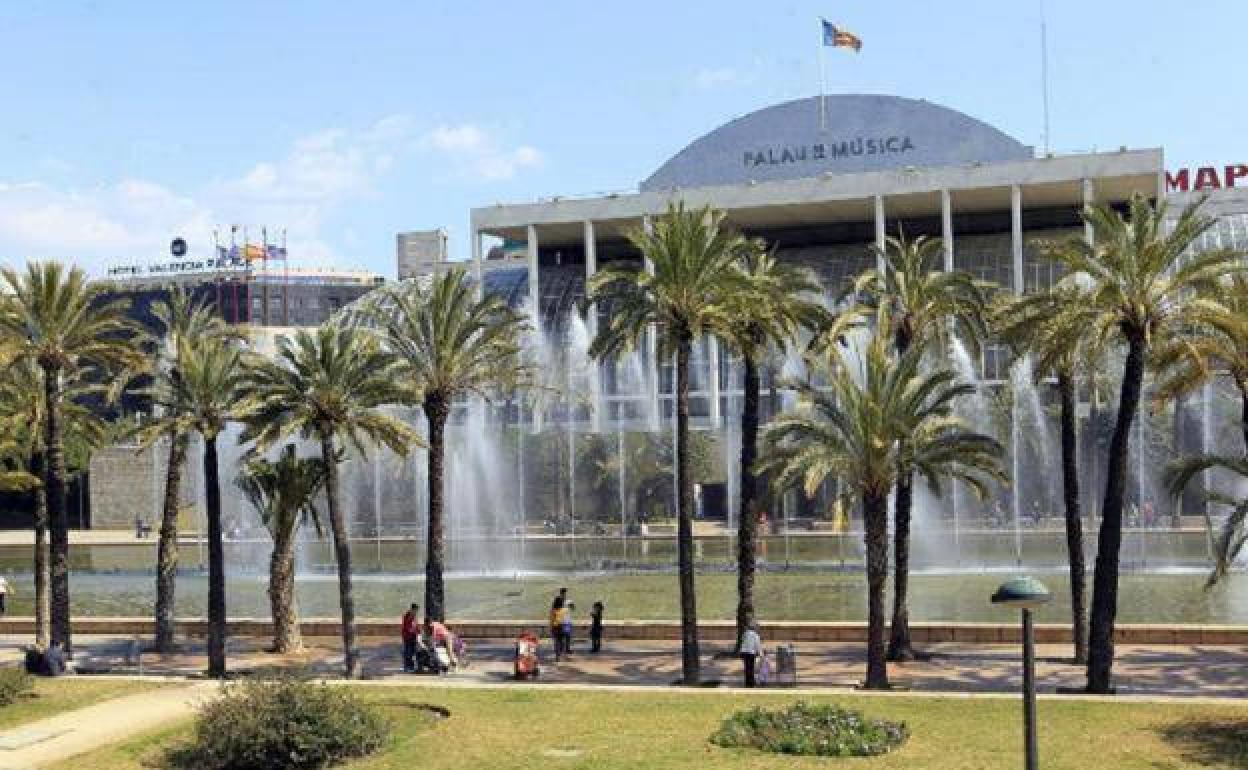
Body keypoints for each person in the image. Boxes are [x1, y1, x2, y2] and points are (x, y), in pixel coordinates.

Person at [739, 624, 763, 688]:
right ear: (755, 628)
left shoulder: (745, 633)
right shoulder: (756, 635)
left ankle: (747, 683)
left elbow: (742, 641)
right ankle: (751, 684)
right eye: (758, 628)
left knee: (747, 668)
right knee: (751, 668)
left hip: (744, 653)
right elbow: (758, 645)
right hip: (751, 653)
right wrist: (761, 655)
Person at [401, 603, 420, 672]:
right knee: (408, 652)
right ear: (412, 609)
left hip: (413, 636)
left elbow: (416, 625)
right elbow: (407, 627)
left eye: (417, 610)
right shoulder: (407, 616)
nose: (416, 612)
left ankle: (411, 666)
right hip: (408, 637)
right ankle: (407, 667)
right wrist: (414, 632)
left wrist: (418, 631)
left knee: (412, 652)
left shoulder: (414, 616)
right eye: (415, 610)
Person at [550, 597, 568, 661]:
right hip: (562, 626)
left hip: (555, 627)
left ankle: (557, 656)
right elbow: (565, 619)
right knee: (561, 641)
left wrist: (551, 628)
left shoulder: (553, 610)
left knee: (556, 641)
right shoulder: (564, 610)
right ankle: (560, 654)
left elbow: (552, 620)